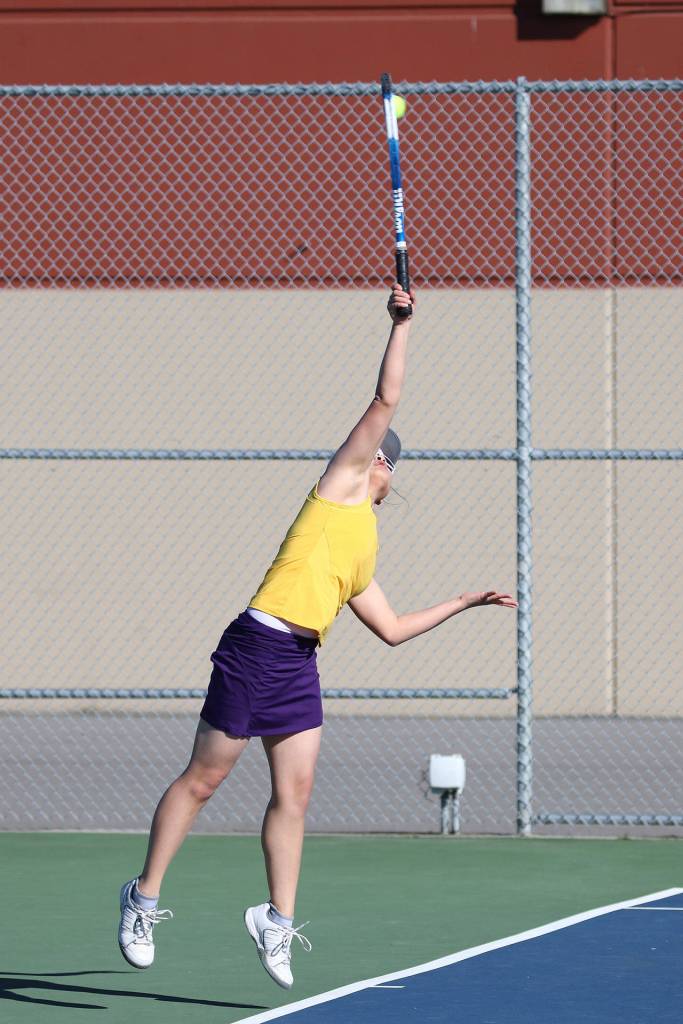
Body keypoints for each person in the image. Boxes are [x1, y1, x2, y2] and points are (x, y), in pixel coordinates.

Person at [117, 284, 517, 989]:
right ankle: (143, 895)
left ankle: (275, 920)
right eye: (380, 456)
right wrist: (400, 325)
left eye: (387, 460)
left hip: (298, 662)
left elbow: (390, 630)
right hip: (255, 644)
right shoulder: (337, 486)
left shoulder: (362, 548)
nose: (382, 463)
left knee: (294, 797)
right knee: (205, 780)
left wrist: (462, 600)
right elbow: (384, 401)